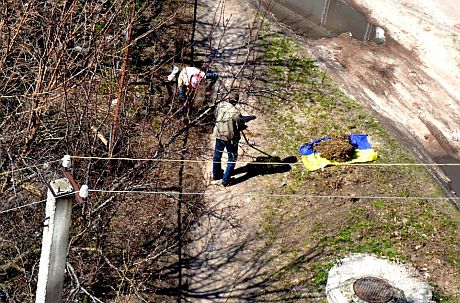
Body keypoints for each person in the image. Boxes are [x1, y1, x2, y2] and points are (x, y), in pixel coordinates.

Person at [212, 94, 247, 187]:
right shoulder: (236, 112)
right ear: (236, 101)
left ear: (228, 99)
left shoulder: (220, 106)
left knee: (217, 156)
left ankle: (216, 175)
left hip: (219, 134)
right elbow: (239, 126)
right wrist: (243, 126)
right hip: (230, 138)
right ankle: (226, 180)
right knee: (231, 159)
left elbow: (215, 116)